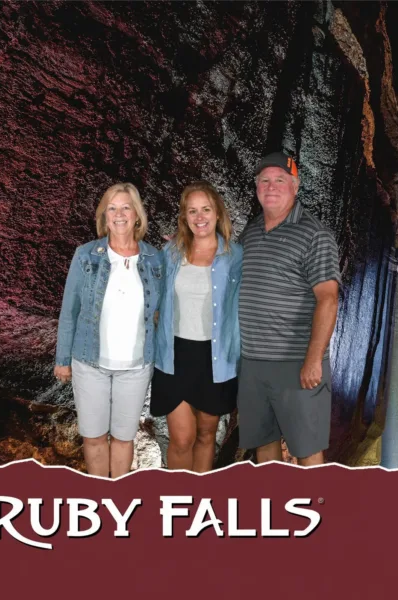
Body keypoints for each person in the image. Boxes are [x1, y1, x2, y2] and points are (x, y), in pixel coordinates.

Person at [54, 183, 164, 478]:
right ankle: (99, 497)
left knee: (124, 437)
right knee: (93, 437)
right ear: (104, 215)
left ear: (137, 215)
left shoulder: (155, 259)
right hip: (90, 362)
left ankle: (118, 497)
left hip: (137, 366)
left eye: (126, 207)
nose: (119, 214)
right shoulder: (86, 255)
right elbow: (70, 310)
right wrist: (62, 359)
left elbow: (163, 313)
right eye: (112, 208)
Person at [238, 152, 340, 466]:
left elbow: (328, 298)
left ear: (295, 187)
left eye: (280, 180)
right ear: (256, 188)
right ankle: (275, 508)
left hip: (295, 363)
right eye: (264, 181)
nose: (271, 187)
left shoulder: (314, 234)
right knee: (264, 447)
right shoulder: (251, 231)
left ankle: (318, 514)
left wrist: (313, 358)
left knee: (306, 448)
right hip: (254, 362)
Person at [151, 181, 242, 472]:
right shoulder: (170, 252)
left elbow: (246, 305)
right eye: (192, 211)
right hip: (174, 355)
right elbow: (152, 295)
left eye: (206, 209)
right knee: (182, 437)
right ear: (184, 216)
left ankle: (199, 500)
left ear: (217, 213)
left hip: (216, 357)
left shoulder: (235, 256)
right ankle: (177, 502)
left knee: (205, 435)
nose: (199, 217)